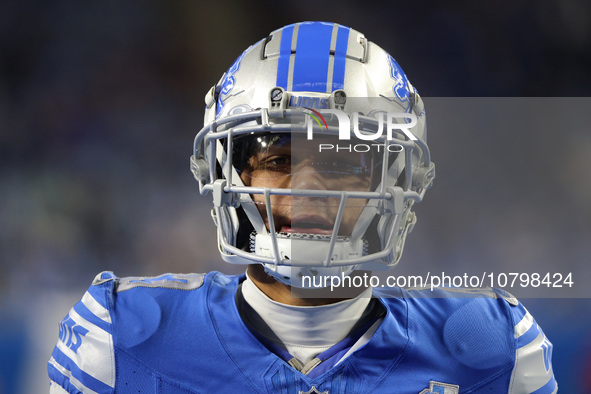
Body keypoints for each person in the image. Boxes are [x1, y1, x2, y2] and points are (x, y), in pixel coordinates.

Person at [48, 21, 557, 394]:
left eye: (342, 163)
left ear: (397, 181)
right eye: (278, 159)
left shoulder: (491, 350)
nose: (310, 187)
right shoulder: (121, 339)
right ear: (231, 175)